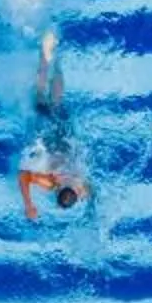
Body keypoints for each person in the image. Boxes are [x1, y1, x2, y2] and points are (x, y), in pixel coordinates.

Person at [17, 28, 91, 222]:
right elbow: (23, 175)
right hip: (48, 133)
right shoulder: (51, 182)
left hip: (65, 133)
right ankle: (46, 54)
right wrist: (29, 205)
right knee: (41, 94)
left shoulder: (83, 186)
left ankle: (56, 59)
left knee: (57, 101)